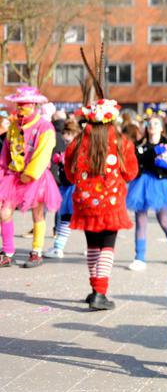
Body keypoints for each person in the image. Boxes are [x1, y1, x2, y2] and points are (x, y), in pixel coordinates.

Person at [65, 98, 139, 309]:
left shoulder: (77, 143)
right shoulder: (121, 142)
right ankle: (100, 292)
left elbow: (70, 174)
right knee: (107, 245)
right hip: (111, 202)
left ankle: (94, 289)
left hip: (85, 202)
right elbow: (131, 172)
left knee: (92, 246)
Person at [0, 87, 62, 268]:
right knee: (4, 211)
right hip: (13, 176)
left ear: (33, 105)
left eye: (24, 105)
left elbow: (43, 153)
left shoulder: (44, 127)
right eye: (18, 105)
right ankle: (8, 252)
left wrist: (30, 174)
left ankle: (37, 251)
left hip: (36, 178)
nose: (20, 108)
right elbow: (5, 152)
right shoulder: (13, 126)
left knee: (37, 213)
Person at [125, 115, 167, 271]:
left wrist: (166, 165)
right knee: (140, 220)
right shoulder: (140, 145)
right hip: (142, 184)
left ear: (161, 128)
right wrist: (151, 153)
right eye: (149, 123)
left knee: (164, 220)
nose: (152, 126)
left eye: (156, 123)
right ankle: (139, 257)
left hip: (161, 185)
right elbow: (136, 161)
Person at [44, 116, 81, 259]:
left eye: (70, 134)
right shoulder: (68, 148)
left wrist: (65, 161)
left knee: (66, 217)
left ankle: (59, 247)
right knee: (62, 217)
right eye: (65, 133)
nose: (66, 136)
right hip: (65, 187)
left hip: (73, 188)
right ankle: (57, 246)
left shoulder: (77, 150)